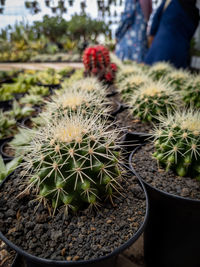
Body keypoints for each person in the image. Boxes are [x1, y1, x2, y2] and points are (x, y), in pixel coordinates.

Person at [144, 0, 199, 69]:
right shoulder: (195, 13)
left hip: (160, 49)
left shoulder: (170, 2)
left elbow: (154, 24)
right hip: (180, 54)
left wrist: (150, 43)